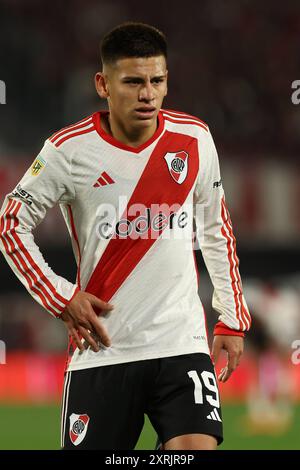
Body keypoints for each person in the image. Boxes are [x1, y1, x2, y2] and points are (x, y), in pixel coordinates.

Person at [0, 22, 251, 450]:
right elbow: (10, 224)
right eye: (133, 81)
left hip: (181, 345)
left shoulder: (194, 139)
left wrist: (232, 316)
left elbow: (215, 227)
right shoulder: (67, 151)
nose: (147, 94)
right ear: (103, 83)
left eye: (157, 81)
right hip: (105, 349)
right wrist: (62, 298)